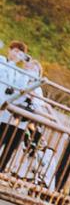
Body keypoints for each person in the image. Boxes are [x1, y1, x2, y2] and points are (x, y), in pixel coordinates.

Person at [0, 41, 39, 173]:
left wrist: (29, 72)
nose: (17, 55)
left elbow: (19, 89)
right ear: (10, 50)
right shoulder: (2, 61)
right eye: (15, 51)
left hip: (5, 108)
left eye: (20, 54)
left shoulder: (19, 73)